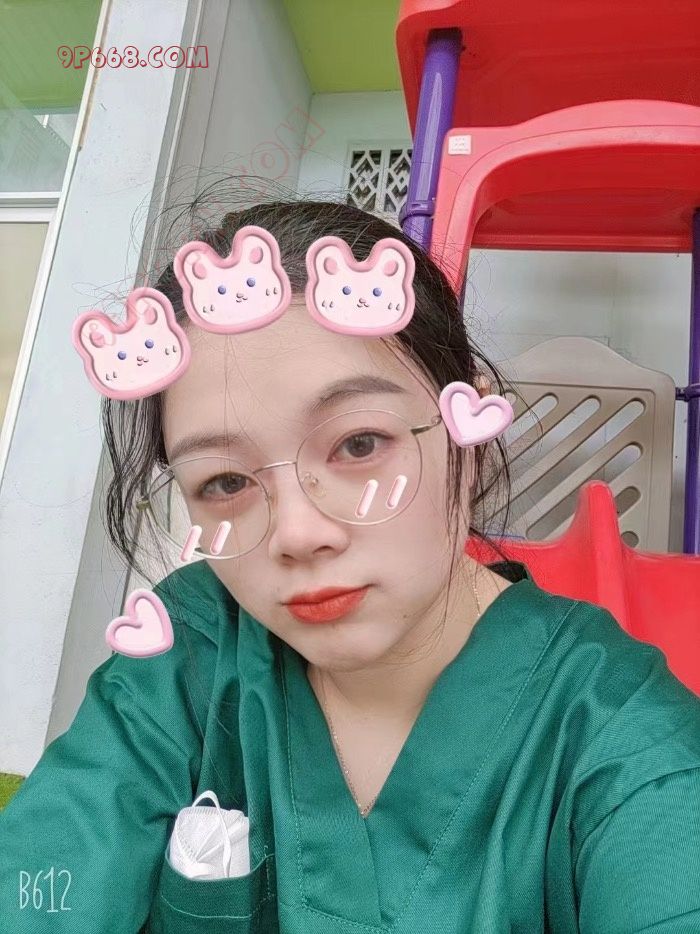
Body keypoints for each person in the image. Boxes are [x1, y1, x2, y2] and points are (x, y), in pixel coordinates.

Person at [1, 188, 700, 934]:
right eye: (226, 482)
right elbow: (44, 880)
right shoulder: (188, 652)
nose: (298, 534)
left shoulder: (621, 735)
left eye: (359, 444)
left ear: (468, 439)